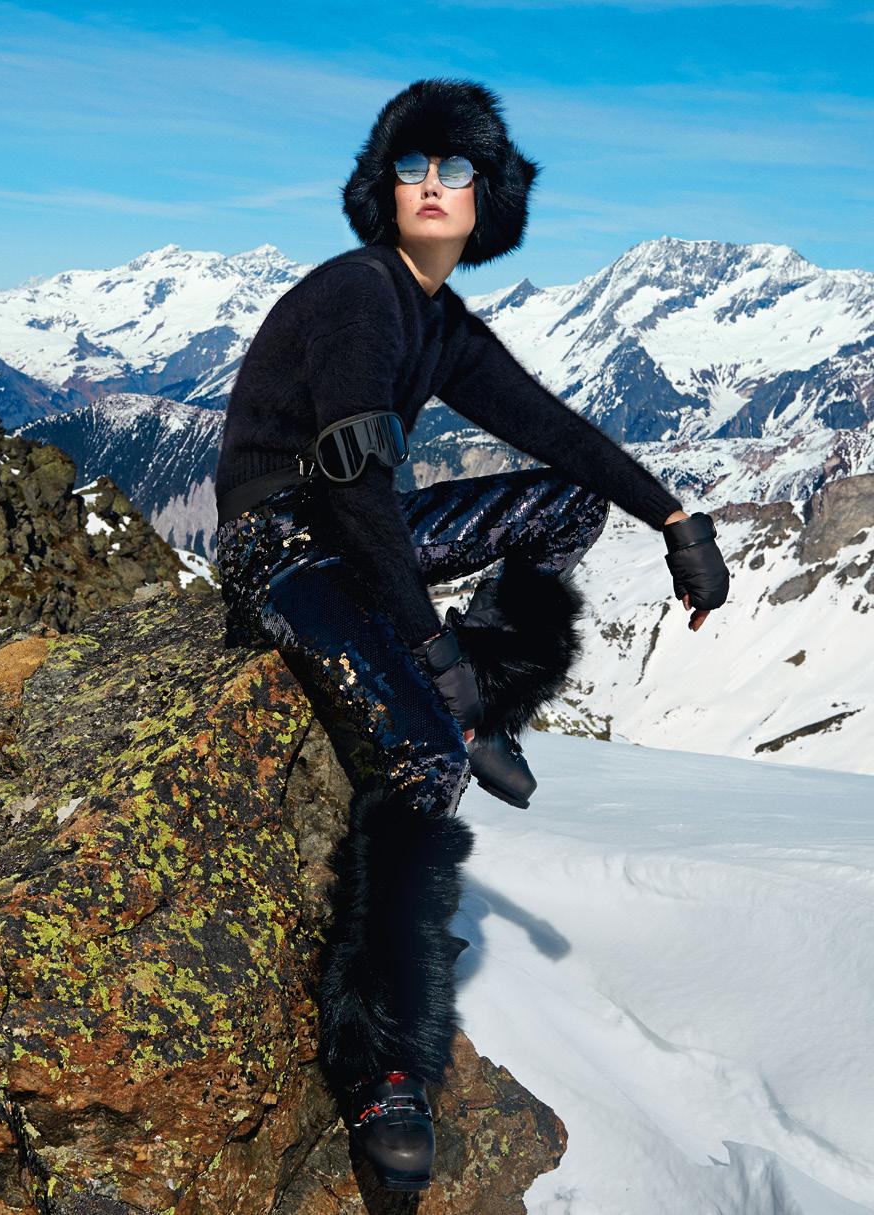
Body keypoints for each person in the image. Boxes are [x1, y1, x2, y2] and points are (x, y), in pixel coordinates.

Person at [213, 77, 730, 1192]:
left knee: (564, 504)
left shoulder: (435, 318)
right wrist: (435, 657)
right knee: (422, 755)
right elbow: (352, 489)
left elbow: (553, 430)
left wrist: (675, 520)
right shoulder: (361, 295)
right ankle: (382, 1062)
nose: (435, 184)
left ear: (492, 195)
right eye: (414, 165)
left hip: (357, 533)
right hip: (281, 544)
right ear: (383, 188)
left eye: (459, 168)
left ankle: (482, 708)